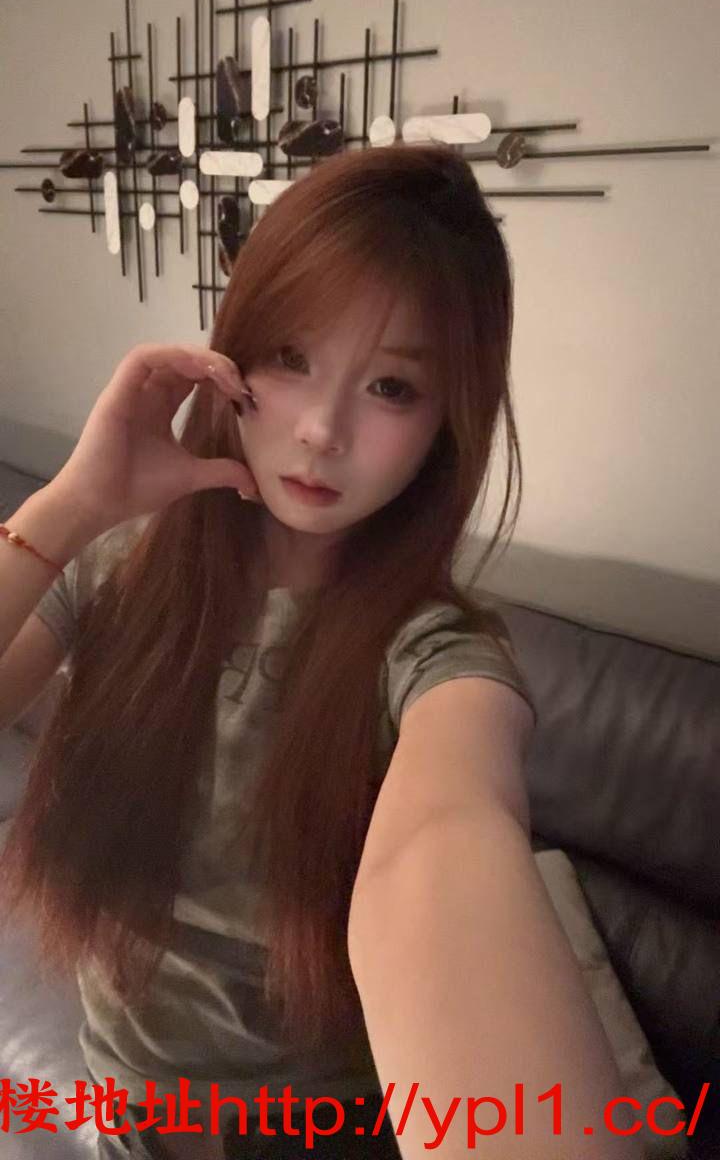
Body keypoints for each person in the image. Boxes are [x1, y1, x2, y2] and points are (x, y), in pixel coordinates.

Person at [0, 144, 642, 1160]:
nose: (321, 430)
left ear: (445, 425)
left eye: (391, 387)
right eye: (291, 357)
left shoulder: (434, 653)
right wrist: (71, 506)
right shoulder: (118, 566)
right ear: (231, 354)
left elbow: (443, 843)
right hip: (120, 1113)